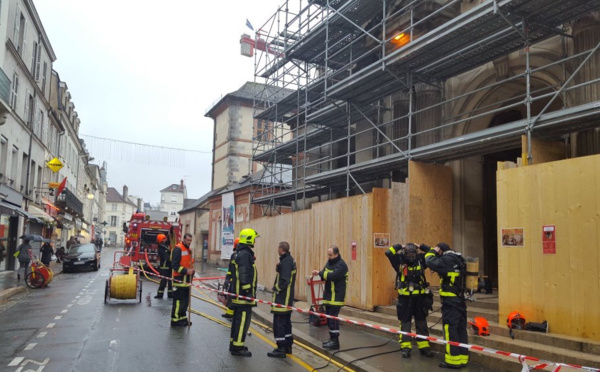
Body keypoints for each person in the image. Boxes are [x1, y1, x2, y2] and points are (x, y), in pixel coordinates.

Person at [422, 242, 469, 369]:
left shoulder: (446, 260)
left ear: (440, 251)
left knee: (450, 329)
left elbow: (430, 261)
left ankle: (453, 360)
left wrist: (432, 252)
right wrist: (424, 246)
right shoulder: (458, 258)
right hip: (460, 300)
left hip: (450, 301)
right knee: (461, 328)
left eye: (438, 250)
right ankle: (463, 358)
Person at [384, 243, 434, 358]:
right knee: (405, 323)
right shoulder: (399, 260)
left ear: (416, 253)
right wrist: (399, 246)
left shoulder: (421, 259)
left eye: (413, 253)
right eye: (409, 253)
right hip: (405, 299)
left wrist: (421, 246)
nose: (411, 256)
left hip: (420, 298)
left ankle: (424, 346)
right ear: (404, 253)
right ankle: (406, 347)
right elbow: (388, 252)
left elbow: (433, 252)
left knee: (421, 322)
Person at [229, 228, 259, 357]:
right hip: (243, 296)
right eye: (254, 239)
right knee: (242, 322)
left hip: (237, 294)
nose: (255, 241)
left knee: (236, 321)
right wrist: (248, 292)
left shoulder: (240, 253)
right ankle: (238, 348)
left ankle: (234, 344)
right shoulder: (245, 255)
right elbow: (244, 275)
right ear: (249, 239)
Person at [311, 245, 348, 350]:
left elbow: (332, 276)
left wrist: (321, 273)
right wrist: (320, 273)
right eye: (328, 254)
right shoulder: (329, 263)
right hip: (328, 295)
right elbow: (324, 275)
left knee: (333, 319)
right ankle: (332, 339)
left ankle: (335, 342)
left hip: (336, 296)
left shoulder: (342, 265)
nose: (328, 257)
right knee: (329, 318)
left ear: (336, 254)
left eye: (330, 255)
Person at [267, 241, 297, 358]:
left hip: (282, 298)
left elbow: (284, 281)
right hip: (287, 299)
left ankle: (281, 348)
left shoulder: (286, 262)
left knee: (279, 323)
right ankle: (288, 346)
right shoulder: (289, 260)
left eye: (278, 248)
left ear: (280, 249)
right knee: (286, 323)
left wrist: (275, 288)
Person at [170, 233, 195, 327]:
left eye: (190, 241)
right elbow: (174, 265)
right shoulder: (178, 249)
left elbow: (189, 264)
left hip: (187, 281)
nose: (189, 242)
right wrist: (186, 271)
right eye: (188, 240)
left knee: (185, 301)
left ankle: (183, 318)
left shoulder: (189, 250)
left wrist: (192, 271)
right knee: (178, 301)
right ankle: (175, 320)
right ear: (184, 239)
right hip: (179, 280)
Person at [222, 238, 240, 319]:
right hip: (232, 280)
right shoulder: (233, 255)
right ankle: (229, 313)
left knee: (234, 297)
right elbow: (230, 268)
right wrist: (227, 278)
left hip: (237, 281)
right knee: (230, 296)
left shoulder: (241, 256)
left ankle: (233, 314)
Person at [154, 234, 173, 299]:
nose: (165, 239)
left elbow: (170, 240)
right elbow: (166, 257)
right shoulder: (161, 249)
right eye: (164, 239)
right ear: (161, 240)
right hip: (164, 267)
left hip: (170, 267)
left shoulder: (165, 246)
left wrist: (171, 232)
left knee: (170, 282)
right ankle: (160, 294)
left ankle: (170, 294)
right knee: (163, 282)